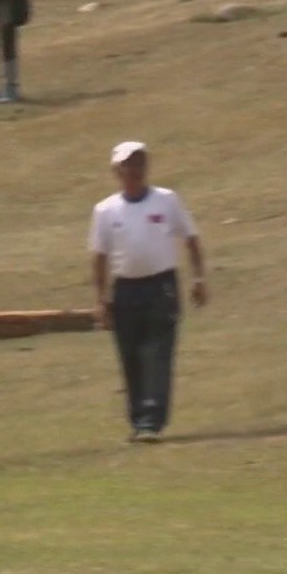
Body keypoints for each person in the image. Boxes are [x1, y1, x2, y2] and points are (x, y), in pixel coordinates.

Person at [88, 141, 208, 443]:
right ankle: (138, 419)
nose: (135, 169)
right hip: (125, 289)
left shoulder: (166, 200)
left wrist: (198, 279)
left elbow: (191, 239)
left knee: (157, 353)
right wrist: (101, 299)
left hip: (161, 286)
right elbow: (99, 256)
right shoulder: (105, 210)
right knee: (130, 355)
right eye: (129, 164)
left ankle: (151, 422)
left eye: (140, 162)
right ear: (117, 170)